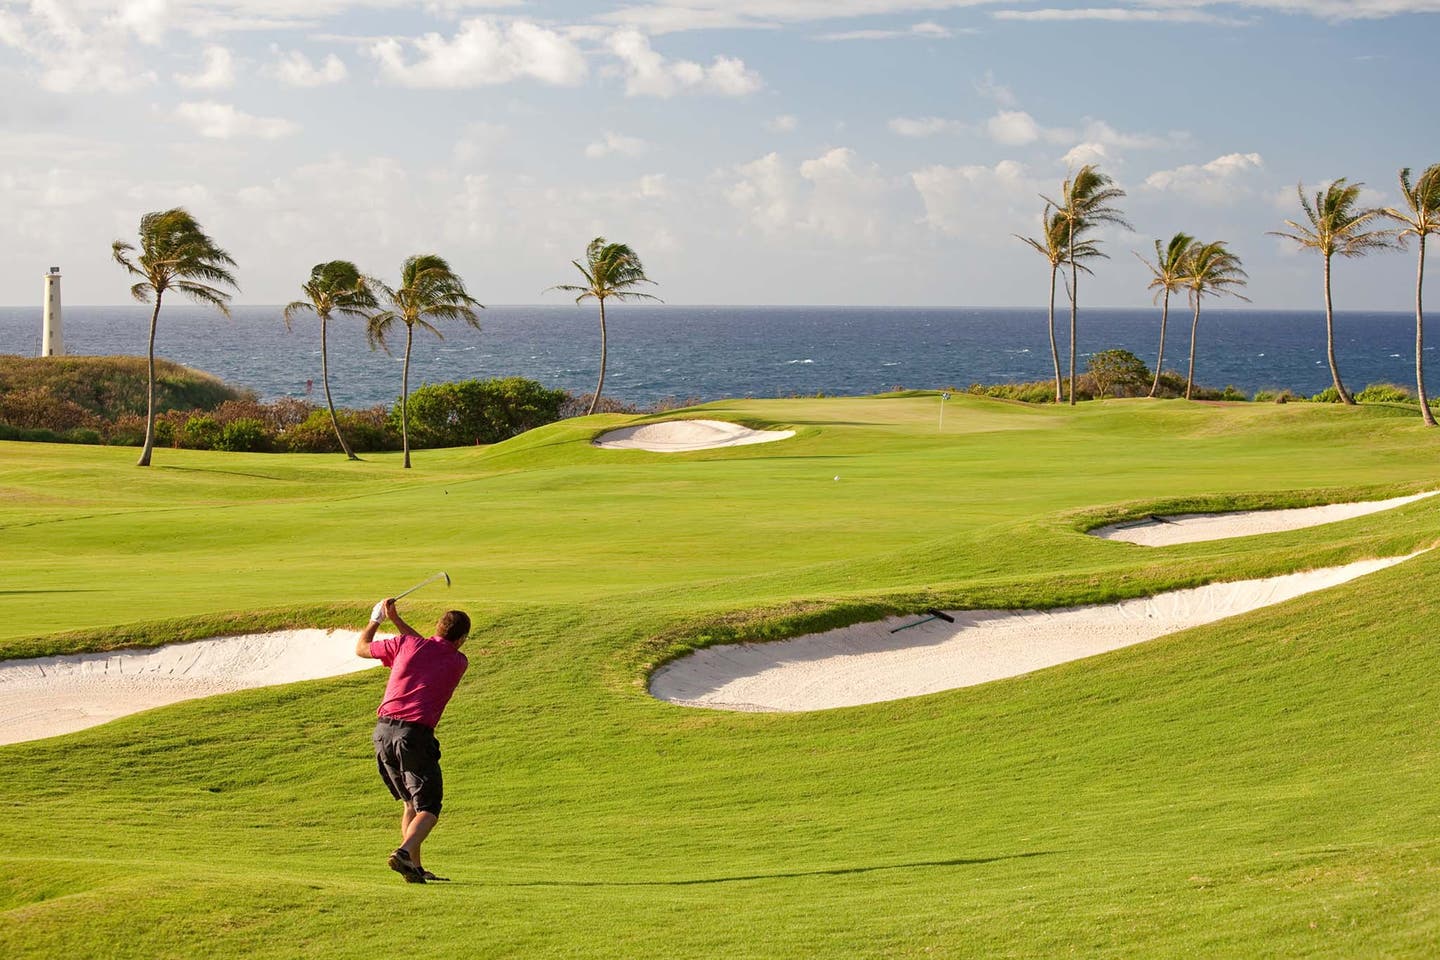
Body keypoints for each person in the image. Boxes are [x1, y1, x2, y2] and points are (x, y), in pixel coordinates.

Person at [356, 598, 470, 883]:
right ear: (463, 639)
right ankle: (404, 852)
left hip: (382, 733)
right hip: (414, 735)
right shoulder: (458, 660)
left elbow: (361, 648)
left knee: (410, 803)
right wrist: (396, 620)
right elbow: (432, 648)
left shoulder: (407, 645)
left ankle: (415, 868)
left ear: (436, 628)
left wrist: (378, 620)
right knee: (429, 808)